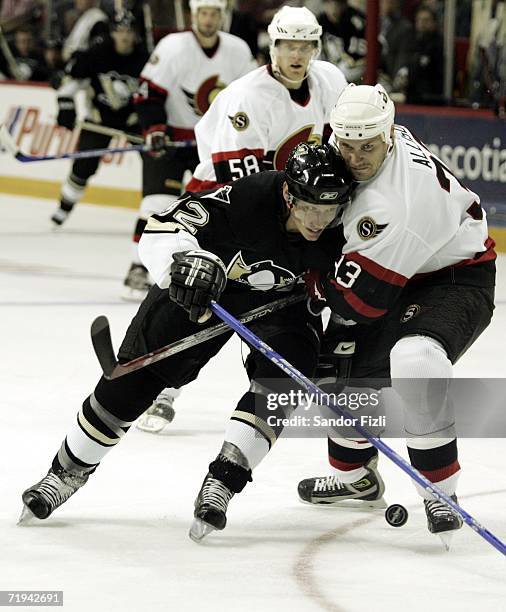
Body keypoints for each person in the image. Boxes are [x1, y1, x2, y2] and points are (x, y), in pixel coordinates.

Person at [19, 143, 355, 537]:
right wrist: (184, 263)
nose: (319, 220)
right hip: (205, 292)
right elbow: (162, 227)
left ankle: (223, 483)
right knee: (130, 382)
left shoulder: (345, 224)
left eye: (329, 209)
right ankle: (65, 474)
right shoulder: (247, 200)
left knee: (285, 379)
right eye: (310, 207)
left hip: (285, 303)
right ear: (287, 194)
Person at [297, 84, 496, 542]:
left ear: (388, 135)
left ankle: (439, 491)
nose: (355, 157)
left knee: (414, 360)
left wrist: (308, 280)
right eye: (346, 145)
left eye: (367, 147)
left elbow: (360, 301)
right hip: (399, 268)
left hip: (454, 276)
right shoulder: (363, 134)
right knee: (336, 378)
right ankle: (356, 479)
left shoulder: (397, 203)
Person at [139, 4, 348, 433]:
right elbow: (244, 190)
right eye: (288, 44)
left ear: (316, 47)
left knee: (276, 312)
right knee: (203, 302)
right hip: (223, 210)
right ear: (272, 46)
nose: (296, 54)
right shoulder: (246, 99)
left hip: (287, 212)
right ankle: (162, 387)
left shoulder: (330, 81)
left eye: (305, 45)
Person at [123, 0, 256, 301]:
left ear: (223, 16)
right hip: (171, 141)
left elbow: (251, 97)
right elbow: (147, 93)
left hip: (213, 145)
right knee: (156, 204)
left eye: (214, 14)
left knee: (215, 207)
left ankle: (218, 266)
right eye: (204, 13)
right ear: (194, 15)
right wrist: (155, 127)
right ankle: (137, 267)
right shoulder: (173, 47)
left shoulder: (237, 50)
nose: (209, 20)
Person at [50, 11, 149, 226]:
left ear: (136, 35)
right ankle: (64, 207)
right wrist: (66, 106)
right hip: (100, 120)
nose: (124, 37)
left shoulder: (145, 59)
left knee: (155, 162)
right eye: (120, 31)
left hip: (133, 120)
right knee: (84, 165)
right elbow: (71, 83)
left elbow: (156, 93)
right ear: (112, 33)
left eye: (129, 32)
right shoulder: (97, 54)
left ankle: (158, 208)